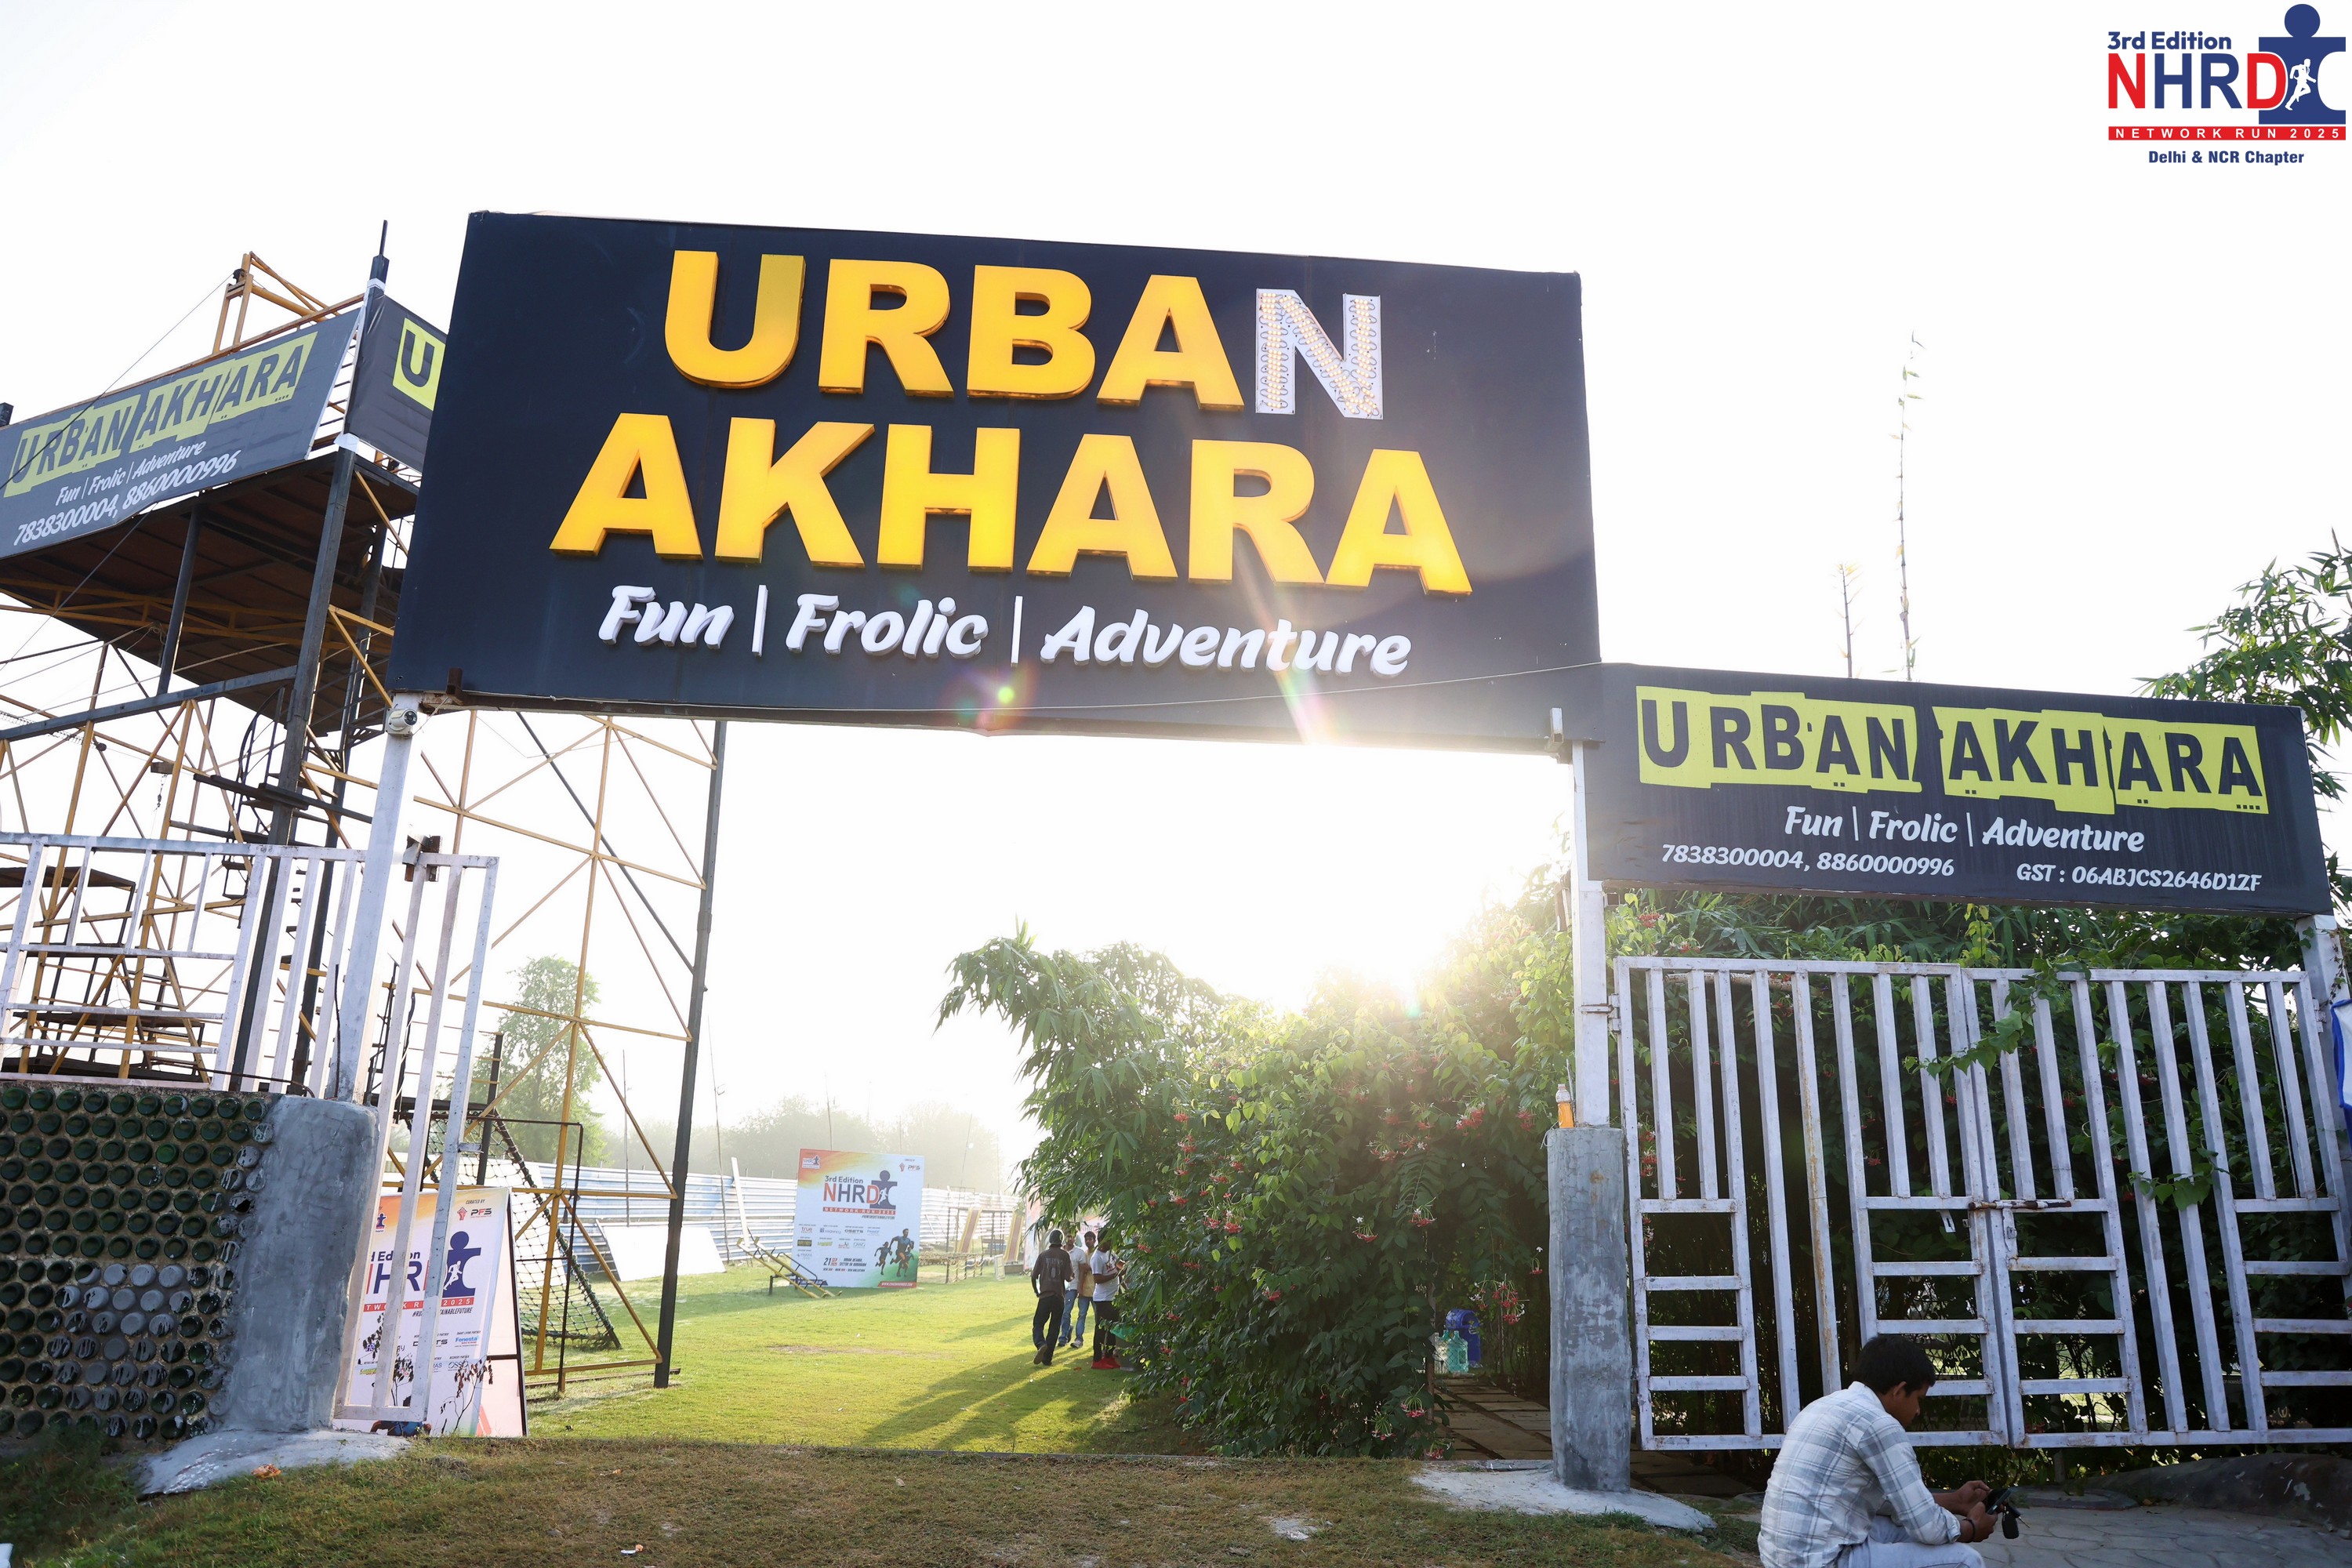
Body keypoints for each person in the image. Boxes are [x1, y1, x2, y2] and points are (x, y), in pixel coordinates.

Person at [1759, 1335, 1994, 1568]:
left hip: (1782, 1558)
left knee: (1897, 1526)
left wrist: (1955, 1501)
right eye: (1918, 1399)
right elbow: (1927, 1528)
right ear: (1899, 1390)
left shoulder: (1822, 1406)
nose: (1918, 1410)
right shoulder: (1880, 1424)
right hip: (1824, 1561)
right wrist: (1971, 1528)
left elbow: (1888, 1503)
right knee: (1965, 1560)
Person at [1028, 1230, 1073, 1365]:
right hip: (1059, 1296)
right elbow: (1068, 1277)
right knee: (1054, 1327)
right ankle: (1047, 1359)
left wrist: (1037, 1292)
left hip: (1045, 1296)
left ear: (1050, 1240)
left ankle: (1040, 1343)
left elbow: (1033, 1276)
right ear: (1061, 1240)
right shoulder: (1065, 1255)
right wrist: (1072, 1276)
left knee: (1038, 1324)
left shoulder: (1043, 1255)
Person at [1087, 1235, 1124, 1368]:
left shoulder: (1110, 1252)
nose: (1112, 1242)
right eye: (1110, 1240)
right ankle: (1097, 1360)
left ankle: (1109, 1356)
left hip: (1113, 1298)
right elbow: (1097, 1279)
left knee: (1113, 1329)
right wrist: (1116, 1274)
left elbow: (1120, 1264)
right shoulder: (1097, 1258)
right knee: (1101, 1330)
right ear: (1102, 1241)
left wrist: (1127, 1266)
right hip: (1103, 1299)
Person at [1062, 1230, 1097, 1350]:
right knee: (1081, 1315)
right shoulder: (1084, 1253)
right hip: (1084, 1291)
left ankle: (1100, 1341)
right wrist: (1080, 1289)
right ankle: (1078, 1339)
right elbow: (1082, 1271)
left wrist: (1089, 1268)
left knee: (1098, 1318)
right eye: (1086, 1239)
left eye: (1090, 1239)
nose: (1088, 1241)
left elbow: (1096, 1270)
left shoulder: (1097, 1253)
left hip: (1097, 1292)